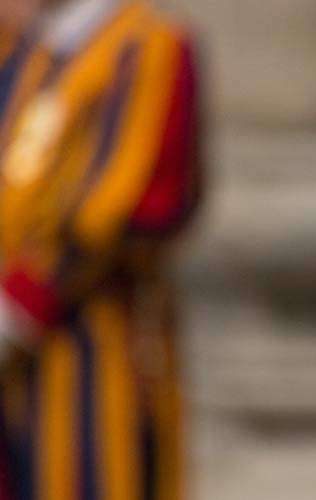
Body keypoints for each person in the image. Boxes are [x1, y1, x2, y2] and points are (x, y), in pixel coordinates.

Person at [0, 1, 201, 499]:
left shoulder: (147, 46)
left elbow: (132, 205)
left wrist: (15, 307)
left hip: (89, 346)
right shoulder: (32, 49)